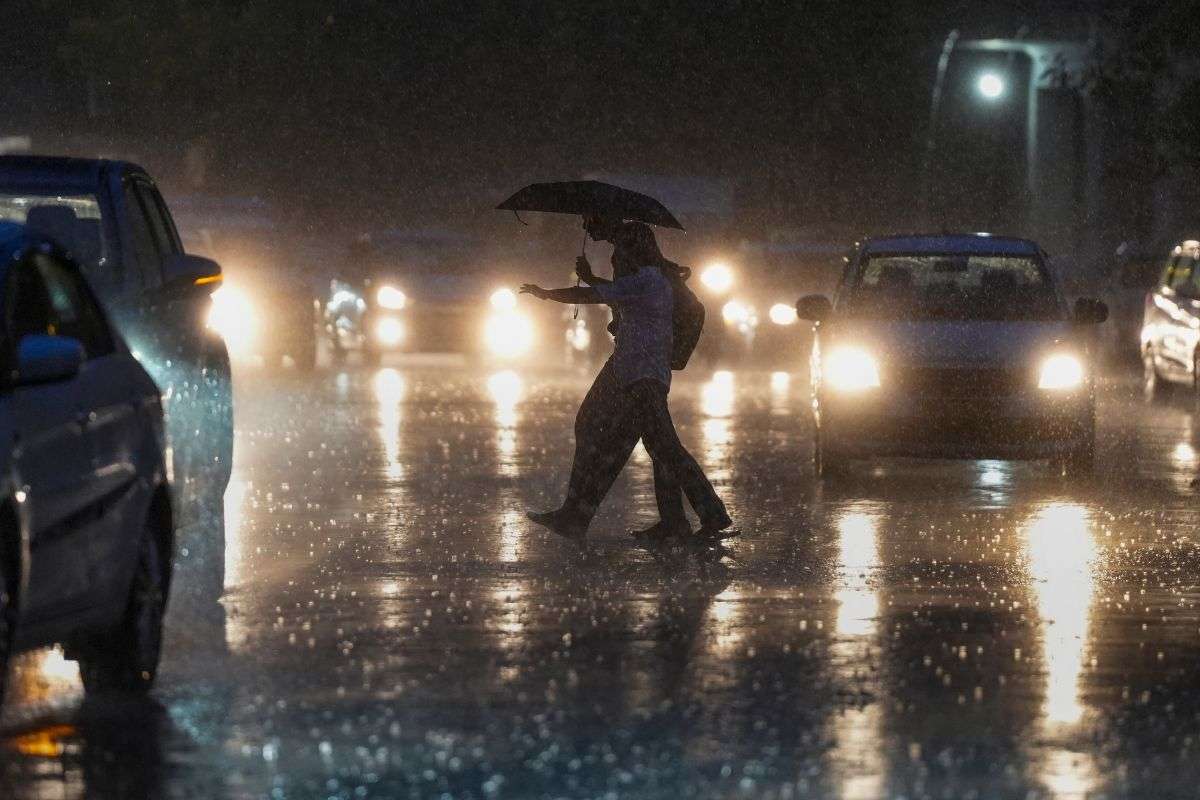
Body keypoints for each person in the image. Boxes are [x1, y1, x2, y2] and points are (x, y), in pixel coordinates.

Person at [520, 215, 731, 540]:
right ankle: (588, 515)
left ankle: (710, 514)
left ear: (632, 254)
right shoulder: (647, 279)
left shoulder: (647, 280)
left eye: (619, 256)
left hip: (642, 377)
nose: (615, 261)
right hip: (628, 369)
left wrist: (550, 292)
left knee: (661, 448)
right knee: (642, 442)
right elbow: (616, 296)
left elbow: (600, 295)